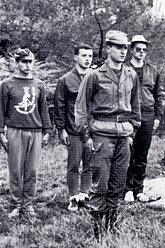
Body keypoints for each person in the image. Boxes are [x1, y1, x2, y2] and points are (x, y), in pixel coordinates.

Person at [75, 30, 141, 237]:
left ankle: (111, 226)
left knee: (118, 184)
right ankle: (97, 231)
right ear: (108, 49)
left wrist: (132, 132)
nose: (123, 52)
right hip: (101, 136)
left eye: (125, 48)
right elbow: (81, 108)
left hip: (123, 137)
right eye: (119, 47)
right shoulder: (94, 75)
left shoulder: (131, 75)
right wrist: (86, 138)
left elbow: (136, 107)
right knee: (100, 185)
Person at [0, 48, 52, 218]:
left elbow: (43, 109)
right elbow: (1, 110)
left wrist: (47, 130)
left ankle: (28, 204)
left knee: (32, 171)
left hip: (35, 131)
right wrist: (1, 132)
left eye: (30, 61)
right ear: (17, 63)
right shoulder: (7, 84)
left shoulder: (39, 85)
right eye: (24, 61)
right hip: (15, 131)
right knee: (15, 170)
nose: (28, 65)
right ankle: (15, 204)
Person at [54, 43, 93, 211]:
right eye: (84, 56)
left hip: (92, 130)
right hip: (73, 130)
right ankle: (73, 197)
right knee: (74, 165)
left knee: (90, 164)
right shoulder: (65, 80)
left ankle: (85, 194)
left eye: (90, 56)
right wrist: (61, 129)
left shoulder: (95, 77)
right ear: (76, 57)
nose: (87, 59)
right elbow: (59, 106)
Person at [124, 35, 162, 202]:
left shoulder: (153, 71)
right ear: (132, 50)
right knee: (127, 153)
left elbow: (158, 95)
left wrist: (158, 117)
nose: (141, 52)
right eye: (138, 49)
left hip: (147, 115)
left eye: (144, 50)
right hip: (128, 115)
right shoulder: (123, 69)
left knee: (141, 154)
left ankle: (138, 189)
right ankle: (126, 189)